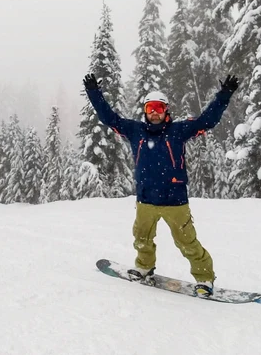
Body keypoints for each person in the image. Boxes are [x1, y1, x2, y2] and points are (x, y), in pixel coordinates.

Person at [83, 72, 239, 297]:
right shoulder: (135, 130)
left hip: (174, 200)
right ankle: (144, 268)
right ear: (144, 111)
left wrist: (224, 95)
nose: (154, 113)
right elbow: (109, 118)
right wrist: (93, 93)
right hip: (145, 198)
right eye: (150, 109)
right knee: (142, 237)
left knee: (187, 242)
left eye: (158, 108)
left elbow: (207, 120)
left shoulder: (178, 131)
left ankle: (204, 278)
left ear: (166, 110)